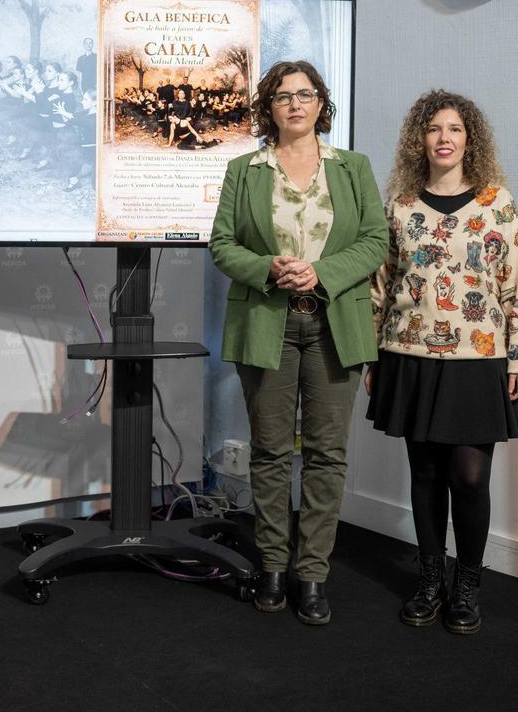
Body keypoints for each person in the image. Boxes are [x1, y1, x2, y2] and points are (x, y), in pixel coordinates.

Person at [209, 60, 386, 624]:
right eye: (283, 96)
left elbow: (376, 240)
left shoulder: (353, 168)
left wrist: (322, 274)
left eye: (304, 95)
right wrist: (269, 267)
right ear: (270, 107)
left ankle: (311, 574)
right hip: (268, 322)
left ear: (320, 104)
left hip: (337, 323)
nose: (294, 104)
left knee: (328, 455)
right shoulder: (244, 169)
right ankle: (272, 567)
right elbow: (222, 244)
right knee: (269, 451)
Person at [367, 90, 518, 634]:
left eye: (455, 129)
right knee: (425, 472)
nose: (444, 138)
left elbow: (517, 286)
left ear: (470, 139)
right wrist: (372, 354)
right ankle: (430, 580)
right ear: (420, 140)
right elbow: (381, 287)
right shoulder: (399, 206)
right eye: (434, 129)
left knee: (468, 476)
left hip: (477, 356)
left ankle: (467, 584)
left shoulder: (496, 204)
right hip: (409, 353)